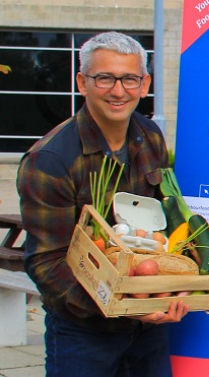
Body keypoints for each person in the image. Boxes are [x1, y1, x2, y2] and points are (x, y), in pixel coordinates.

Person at [17, 31, 189, 376]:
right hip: (83, 331)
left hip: (148, 326)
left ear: (145, 84)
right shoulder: (50, 160)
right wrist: (118, 304)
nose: (118, 90)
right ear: (82, 82)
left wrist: (171, 284)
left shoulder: (149, 136)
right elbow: (46, 265)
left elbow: (160, 226)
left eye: (129, 78)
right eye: (105, 78)